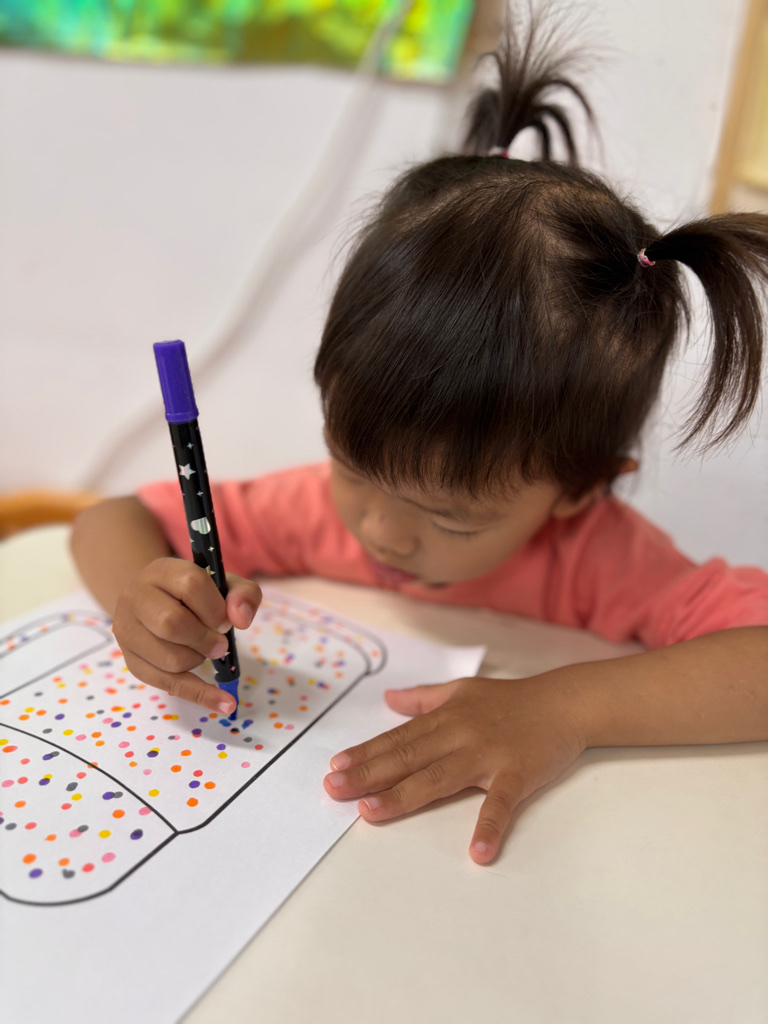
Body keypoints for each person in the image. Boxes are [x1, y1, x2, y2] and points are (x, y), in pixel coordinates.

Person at [71, 20, 768, 865]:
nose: (382, 530)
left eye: (451, 517)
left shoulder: (599, 560)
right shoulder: (312, 510)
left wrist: (565, 708)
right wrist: (141, 599)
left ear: (581, 489)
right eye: (355, 468)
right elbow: (109, 520)